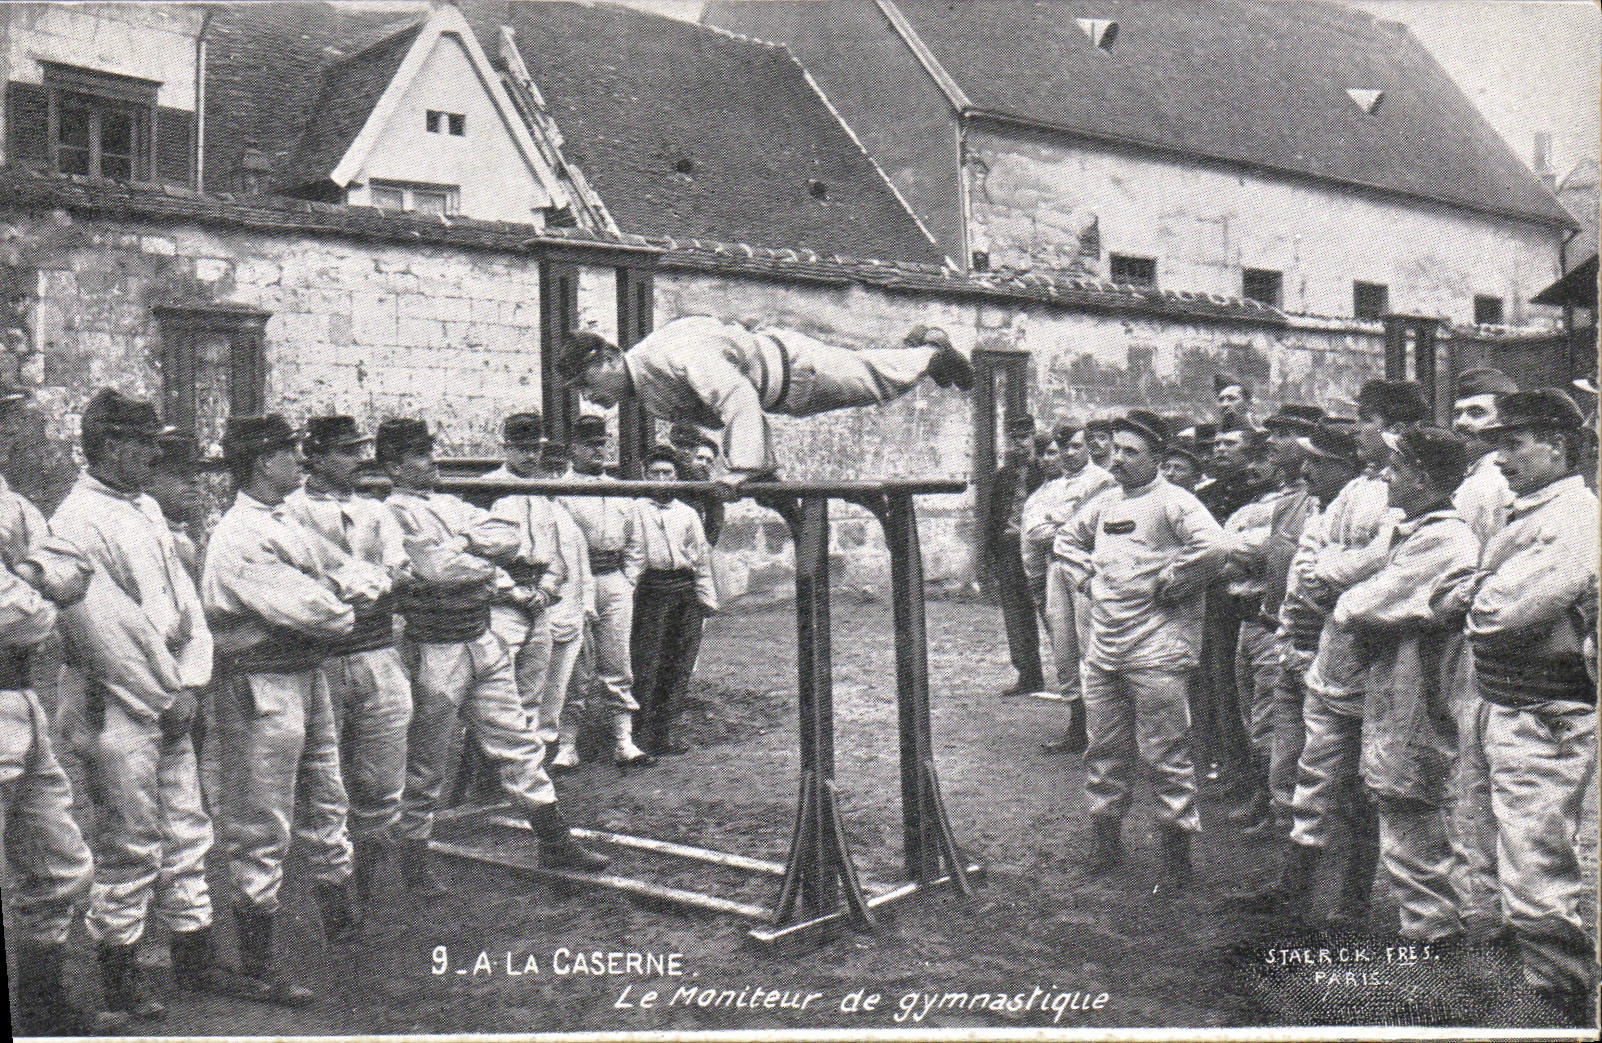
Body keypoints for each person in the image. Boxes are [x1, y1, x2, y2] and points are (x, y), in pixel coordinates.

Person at [50, 391, 222, 1021]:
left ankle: (195, 958)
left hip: (171, 691)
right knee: (129, 838)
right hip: (115, 701)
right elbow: (104, 632)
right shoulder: (75, 520)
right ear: (107, 446)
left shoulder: (146, 506)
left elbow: (186, 606)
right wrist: (166, 694)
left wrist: (192, 681)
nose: (152, 454)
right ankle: (118, 973)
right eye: (140, 443)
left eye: (152, 442)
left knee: (187, 827)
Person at [378, 418, 610, 879]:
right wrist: (478, 558)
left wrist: (461, 546)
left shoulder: (448, 503)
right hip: (435, 644)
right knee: (427, 758)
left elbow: (509, 537)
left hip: (479, 634)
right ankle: (414, 859)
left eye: (429, 451)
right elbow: (434, 571)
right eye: (419, 456)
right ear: (395, 467)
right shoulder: (389, 513)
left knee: (517, 739)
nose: (431, 462)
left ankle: (554, 841)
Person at [1250, 379, 1428, 925]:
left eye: (1366, 420)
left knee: (1368, 784)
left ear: (1393, 428)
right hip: (1330, 647)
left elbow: (1378, 562)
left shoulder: (1400, 492)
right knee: (1316, 773)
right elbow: (1312, 552)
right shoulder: (1355, 488)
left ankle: (1353, 904)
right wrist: (1324, 573)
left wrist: (1330, 573)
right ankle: (1295, 890)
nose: (1358, 430)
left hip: (1375, 657)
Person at [199, 414, 361, 1006]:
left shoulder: (285, 519)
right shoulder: (238, 533)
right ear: (263, 462)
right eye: (289, 453)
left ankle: (341, 922)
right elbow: (321, 609)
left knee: (327, 793)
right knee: (260, 819)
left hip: (303, 672)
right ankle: (257, 962)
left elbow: (350, 573)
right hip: (259, 682)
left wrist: (342, 593)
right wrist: (343, 602)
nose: (300, 461)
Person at [1454, 390, 1599, 1025]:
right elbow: (1482, 597)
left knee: (1536, 865)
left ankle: (1559, 1003)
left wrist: (1472, 593)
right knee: (1485, 847)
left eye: (1514, 445)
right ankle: (1511, 985)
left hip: (1545, 712)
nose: (1500, 459)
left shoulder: (1575, 518)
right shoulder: (1532, 510)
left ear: (1559, 446)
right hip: (1503, 700)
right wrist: (1477, 591)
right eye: (1498, 446)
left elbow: (1500, 612)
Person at [1056, 410, 1225, 893]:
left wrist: (1178, 578)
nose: (1118, 460)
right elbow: (1065, 541)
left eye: (1131, 452)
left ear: (1156, 458)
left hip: (1158, 651)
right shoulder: (1105, 502)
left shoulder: (1177, 502)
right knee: (1104, 749)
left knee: (1165, 754)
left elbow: (1216, 548)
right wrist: (1085, 579)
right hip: (1104, 648)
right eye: (1116, 450)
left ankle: (1176, 859)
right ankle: (1106, 843)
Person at [1334, 427, 1477, 949]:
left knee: (1412, 802)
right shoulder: (1415, 531)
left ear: (1421, 476)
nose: (1387, 478)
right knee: (1403, 803)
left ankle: (1433, 936)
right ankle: (1427, 927)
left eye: (1396, 468)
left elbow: (1359, 605)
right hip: (1401, 683)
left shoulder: (1444, 538)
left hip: (1424, 689)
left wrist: (1355, 600)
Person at [555, 317, 972, 484]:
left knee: (874, 382)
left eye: (586, 384)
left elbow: (737, 399)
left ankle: (932, 353)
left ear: (610, 360)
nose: (588, 398)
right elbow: (725, 416)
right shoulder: (644, 388)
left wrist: (743, 469)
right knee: (869, 370)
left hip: (797, 369)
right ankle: (916, 350)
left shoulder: (670, 355)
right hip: (781, 391)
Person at [282, 416, 413, 919]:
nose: (356, 460)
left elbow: (398, 574)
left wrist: (360, 587)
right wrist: (356, 586)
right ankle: (327, 894)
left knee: (382, 777)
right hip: (320, 658)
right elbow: (302, 585)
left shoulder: (376, 512)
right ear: (313, 457)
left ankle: (371, 885)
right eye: (343, 451)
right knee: (321, 779)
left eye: (358, 450)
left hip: (377, 651)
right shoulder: (288, 512)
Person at [1, 382, 97, 1036]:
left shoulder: (12, 502)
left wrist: (28, 576)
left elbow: (74, 567)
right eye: (2, 418)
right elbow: (17, 615)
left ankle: (41, 1007)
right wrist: (37, 588)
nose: (10, 431)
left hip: (22, 699)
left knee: (60, 861)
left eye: (9, 417)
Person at [1442, 367, 1518, 944]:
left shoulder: (1487, 483)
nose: (1464, 423)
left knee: (1472, 771)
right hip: (1476, 630)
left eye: (1478, 413)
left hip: (1480, 634)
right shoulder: (1478, 477)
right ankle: (1489, 902)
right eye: (1459, 412)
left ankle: (1484, 909)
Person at [1264, 423, 1362, 835]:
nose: (1306, 470)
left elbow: (1334, 582)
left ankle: (1318, 853)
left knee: (1323, 766)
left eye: (1318, 462)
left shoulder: (1362, 510)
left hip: (1330, 654)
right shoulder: (1315, 508)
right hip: (1293, 645)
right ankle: (1288, 840)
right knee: (1287, 758)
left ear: (1346, 467)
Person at [480, 412, 569, 773]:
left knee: (532, 689)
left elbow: (556, 549)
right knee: (497, 691)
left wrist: (547, 587)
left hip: (539, 597)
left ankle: (526, 773)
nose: (530, 456)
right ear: (506, 449)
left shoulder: (543, 489)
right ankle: (488, 775)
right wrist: (511, 591)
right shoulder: (487, 488)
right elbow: (475, 553)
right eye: (521, 448)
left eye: (535, 448)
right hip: (502, 601)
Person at [559, 416, 649, 763]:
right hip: (575, 583)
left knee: (617, 659)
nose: (598, 450)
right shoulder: (561, 491)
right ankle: (567, 744)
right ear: (573, 449)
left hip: (613, 579)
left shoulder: (619, 489)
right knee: (575, 664)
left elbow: (636, 541)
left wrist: (628, 579)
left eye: (602, 443)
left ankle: (623, 740)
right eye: (589, 444)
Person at [629, 446, 719, 758]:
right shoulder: (635, 510)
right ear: (645, 476)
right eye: (655, 473)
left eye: (667, 473)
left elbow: (700, 558)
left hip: (684, 590)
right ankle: (638, 736)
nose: (662, 479)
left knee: (679, 663)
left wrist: (706, 598)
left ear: (677, 476)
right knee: (647, 663)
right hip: (651, 591)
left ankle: (665, 732)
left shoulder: (687, 513)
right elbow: (631, 557)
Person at [1032, 421, 1117, 753]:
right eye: (1063, 447)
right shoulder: (1050, 488)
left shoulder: (1104, 482)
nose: (1068, 453)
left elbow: (1094, 530)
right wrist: (1065, 528)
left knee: (1089, 641)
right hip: (1057, 567)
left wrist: (1060, 526)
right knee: (1063, 644)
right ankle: (1077, 723)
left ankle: (1103, 728)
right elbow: (1036, 532)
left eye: (1076, 446)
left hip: (1087, 566)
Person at [532, 442, 595, 771]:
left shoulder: (567, 513)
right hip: (540, 612)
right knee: (532, 689)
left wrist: (587, 606)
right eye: (548, 469)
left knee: (570, 683)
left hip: (572, 614)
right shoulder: (526, 508)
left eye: (560, 469)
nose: (554, 476)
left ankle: (560, 747)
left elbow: (582, 565)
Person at [986, 415, 1048, 697]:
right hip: (1010, 550)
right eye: (1014, 439)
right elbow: (993, 517)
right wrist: (991, 552)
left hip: (1039, 549)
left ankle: (1074, 674)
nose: (1018, 444)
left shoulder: (1046, 471)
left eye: (1023, 438)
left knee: (1053, 612)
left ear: (1034, 437)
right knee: (1016, 615)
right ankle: (1028, 674)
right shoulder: (1003, 475)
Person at [667, 421, 725, 546]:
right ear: (672, 445)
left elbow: (715, 513)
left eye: (691, 447)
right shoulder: (662, 471)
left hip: (689, 534)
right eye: (680, 445)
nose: (686, 451)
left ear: (696, 449)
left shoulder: (700, 479)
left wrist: (706, 543)